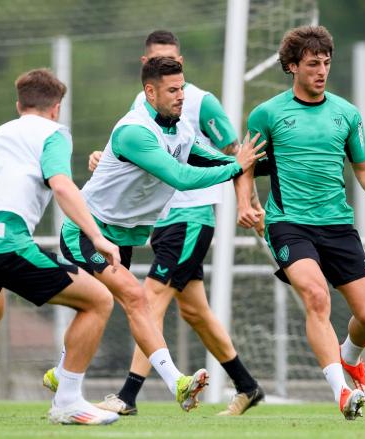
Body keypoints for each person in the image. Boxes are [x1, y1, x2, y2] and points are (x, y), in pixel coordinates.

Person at [42, 56, 265, 413]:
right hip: (88, 231)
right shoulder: (135, 131)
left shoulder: (180, 128)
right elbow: (180, 176)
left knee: (115, 307)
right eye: (173, 90)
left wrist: (255, 164)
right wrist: (237, 166)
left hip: (125, 237)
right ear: (150, 91)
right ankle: (174, 382)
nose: (181, 96)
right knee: (137, 298)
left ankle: (63, 375)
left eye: (183, 88)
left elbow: (208, 160)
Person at [0, 69, 122, 426]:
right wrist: (97, 236)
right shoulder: (54, 133)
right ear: (56, 108)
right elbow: (61, 185)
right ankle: (69, 402)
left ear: (19, 105)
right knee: (99, 300)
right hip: (7, 242)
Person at [236, 25, 365, 420]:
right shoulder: (268, 114)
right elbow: (245, 165)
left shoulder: (346, 114)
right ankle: (342, 393)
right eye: (313, 64)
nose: (321, 71)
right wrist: (245, 203)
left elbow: (364, 168)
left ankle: (351, 358)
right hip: (288, 224)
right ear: (292, 66)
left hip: (337, 225)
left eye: (327, 63)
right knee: (316, 297)